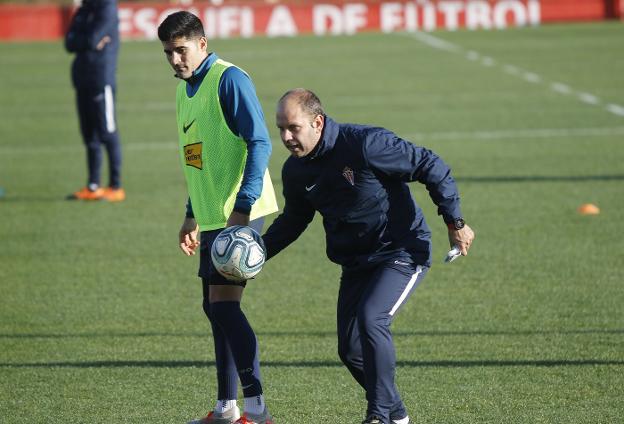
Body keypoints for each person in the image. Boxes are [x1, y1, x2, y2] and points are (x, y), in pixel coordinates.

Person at [262, 89, 475, 424]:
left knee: (372, 317)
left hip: (401, 249)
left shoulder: (365, 144)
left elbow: (429, 164)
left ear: (317, 122)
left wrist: (455, 221)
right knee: (350, 350)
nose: (286, 137)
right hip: (356, 263)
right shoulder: (296, 171)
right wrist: (257, 255)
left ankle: (377, 416)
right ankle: (397, 415)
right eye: (280, 129)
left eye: (293, 127)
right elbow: (294, 220)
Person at [157, 11, 279, 424]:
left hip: (241, 215)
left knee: (224, 307)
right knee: (214, 308)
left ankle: (257, 409)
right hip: (212, 216)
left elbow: (260, 141)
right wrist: (192, 214)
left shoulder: (229, 80)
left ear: (202, 44)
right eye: (169, 53)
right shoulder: (183, 91)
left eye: (182, 50)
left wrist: (242, 209)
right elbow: (197, 158)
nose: (176, 59)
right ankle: (227, 406)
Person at [64, 0, 125, 202]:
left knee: (107, 131)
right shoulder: (83, 9)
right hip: (81, 79)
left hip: (101, 78)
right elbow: (69, 42)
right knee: (89, 135)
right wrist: (86, 41)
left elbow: (90, 39)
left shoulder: (107, 6)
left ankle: (116, 186)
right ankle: (93, 186)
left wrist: (84, 40)